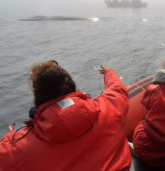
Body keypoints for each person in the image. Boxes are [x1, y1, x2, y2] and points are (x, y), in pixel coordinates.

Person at [0, 60, 131, 171]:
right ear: (72, 84)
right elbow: (117, 90)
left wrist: (12, 139)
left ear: (38, 97)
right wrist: (109, 73)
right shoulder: (110, 108)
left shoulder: (18, 148)